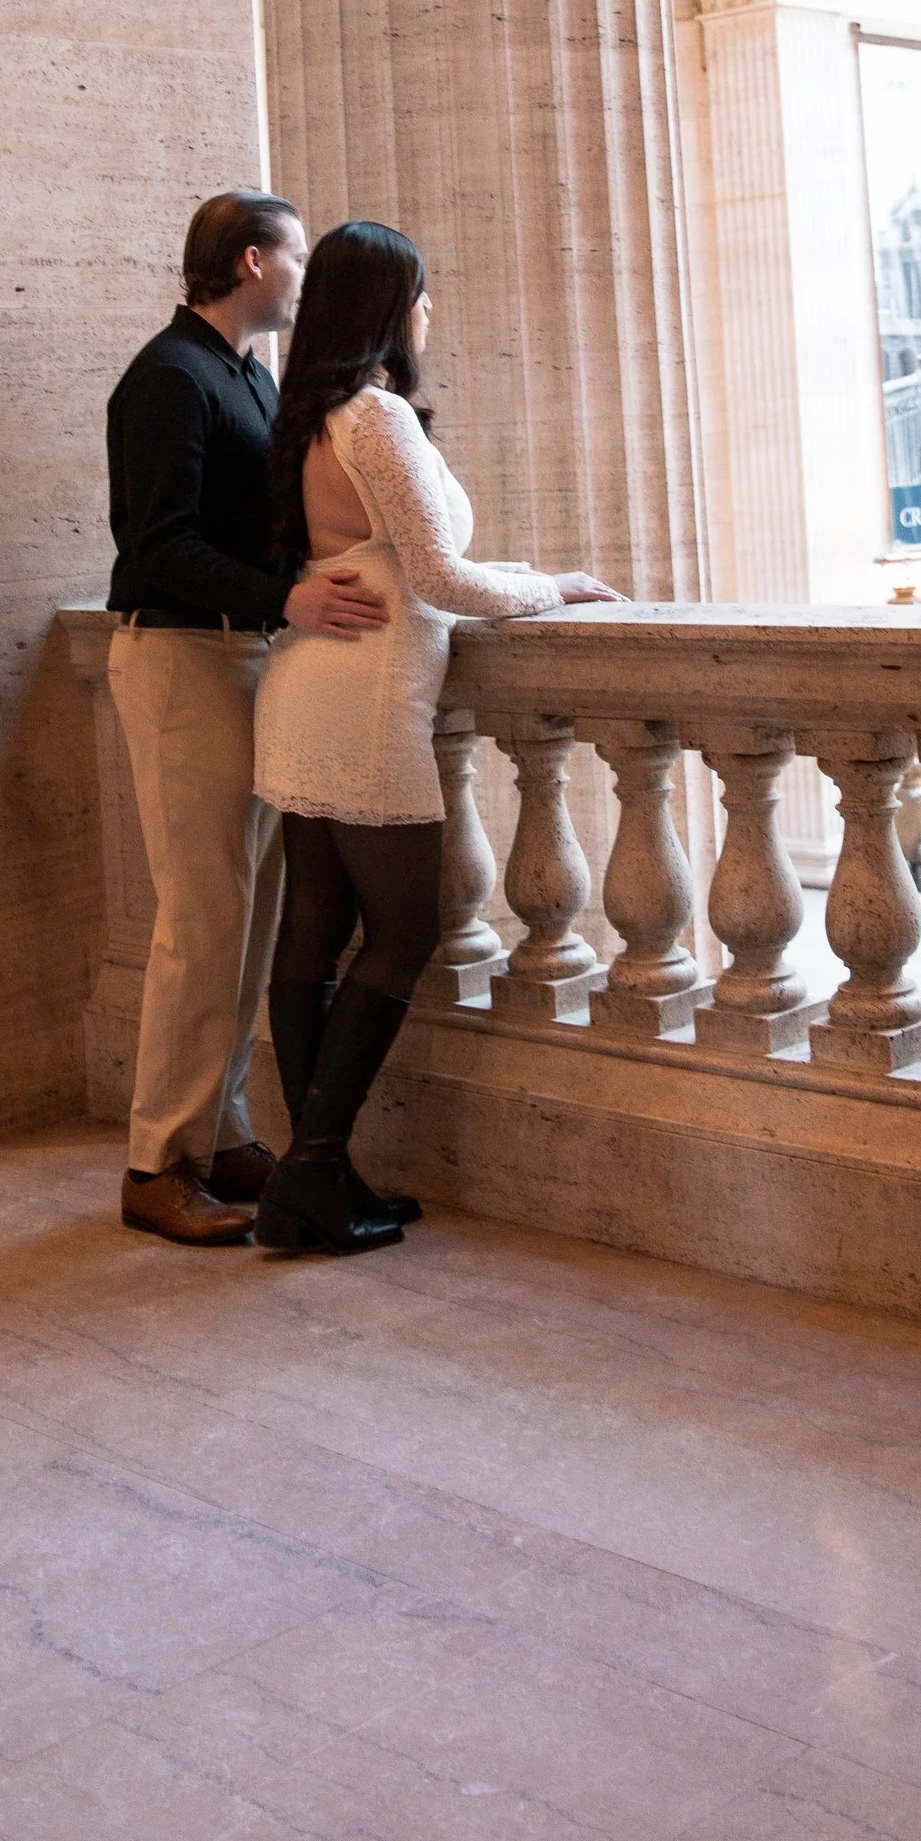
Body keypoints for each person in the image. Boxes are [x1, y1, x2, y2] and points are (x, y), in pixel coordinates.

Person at [250, 220, 623, 1254]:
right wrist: (555, 585)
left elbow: (389, 555)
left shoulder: (312, 413)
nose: (430, 308)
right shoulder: (374, 415)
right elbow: (443, 579)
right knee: (406, 930)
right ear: (385, 304)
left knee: (313, 932)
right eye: (421, 290)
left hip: (303, 688)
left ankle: (307, 1173)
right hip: (367, 696)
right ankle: (312, 1171)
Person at [105, 191, 389, 1245]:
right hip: (181, 655)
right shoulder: (167, 377)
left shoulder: (246, 375)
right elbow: (154, 545)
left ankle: (218, 1133)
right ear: (251, 258)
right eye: (297, 256)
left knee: (249, 915)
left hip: (241, 658)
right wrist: (290, 598)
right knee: (200, 920)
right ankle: (154, 1161)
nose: (306, 274)